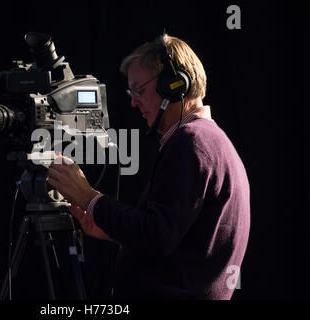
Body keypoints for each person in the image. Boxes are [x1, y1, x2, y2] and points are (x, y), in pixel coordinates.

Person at [46, 33, 250, 300]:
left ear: (173, 85)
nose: (133, 102)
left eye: (139, 91)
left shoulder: (192, 143)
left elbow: (157, 236)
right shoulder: (210, 140)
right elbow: (174, 239)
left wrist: (88, 196)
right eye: (131, 93)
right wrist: (114, 231)